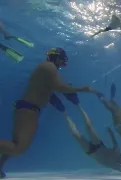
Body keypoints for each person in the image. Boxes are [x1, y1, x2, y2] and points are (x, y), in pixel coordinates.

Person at [0, 47, 96, 178]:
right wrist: (82, 89)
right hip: (29, 110)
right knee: (18, 149)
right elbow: (59, 87)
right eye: (63, 59)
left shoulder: (47, 68)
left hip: (25, 108)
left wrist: (66, 91)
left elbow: (51, 88)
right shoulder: (49, 66)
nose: (64, 62)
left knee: (14, 144)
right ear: (56, 57)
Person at [49, 92, 121, 174]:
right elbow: (114, 140)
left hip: (90, 152)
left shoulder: (116, 166)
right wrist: (110, 131)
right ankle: (76, 102)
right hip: (98, 145)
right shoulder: (117, 152)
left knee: (75, 134)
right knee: (89, 127)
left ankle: (62, 110)